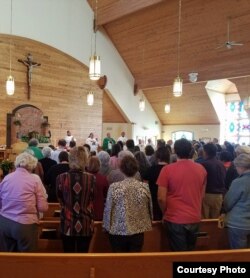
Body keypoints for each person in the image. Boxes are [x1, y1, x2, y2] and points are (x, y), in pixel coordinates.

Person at [157, 138, 207, 251]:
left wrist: (164, 212)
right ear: (191, 151)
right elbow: (202, 195)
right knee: (190, 252)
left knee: (179, 254)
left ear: (174, 151)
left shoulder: (167, 169)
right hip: (194, 216)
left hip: (175, 218)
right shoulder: (201, 169)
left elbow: (161, 198)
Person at [103, 155, 153, 252]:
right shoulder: (144, 187)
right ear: (136, 169)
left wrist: (106, 227)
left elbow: (108, 209)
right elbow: (149, 208)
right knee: (134, 262)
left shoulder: (114, 187)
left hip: (117, 231)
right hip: (138, 230)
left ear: (121, 169)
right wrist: (150, 222)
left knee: (119, 262)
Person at [0, 152, 48, 252]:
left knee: (7, 258)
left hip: (4, 223)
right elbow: (43, 207)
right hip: (25, 224)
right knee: (26, 260)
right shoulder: (34, 180)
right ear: (32, 165)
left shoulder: (6, 178)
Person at [56, 146, 95, 253]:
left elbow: (60, 200)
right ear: (85, 160)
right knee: (83, 258)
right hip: (86, 223)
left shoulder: (61, 178)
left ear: (70, 159)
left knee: (69, 259)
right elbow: (92, 199)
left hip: (68, 223)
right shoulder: (91, 178)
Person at [224, 154, 250, 249]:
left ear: (241, 167)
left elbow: (228, 202)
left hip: (239, 223)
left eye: (236, 167)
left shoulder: (238, 182)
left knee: (239, 254)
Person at [144, 146, 170, 220]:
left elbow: (145, 187)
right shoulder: (172, 169)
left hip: (153, 200)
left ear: (157, 157)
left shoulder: (150, 170)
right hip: (169, 201)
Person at [201, 143, 226, 219]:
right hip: (219, 195)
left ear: (205, 152)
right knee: (215, 220)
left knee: (205, 220)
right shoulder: (221, 164)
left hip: (206, 194)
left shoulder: (204, 164)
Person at [87, 156, 109, 221]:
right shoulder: (103, 179)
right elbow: (106, 194)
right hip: (99, 210)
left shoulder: (84, 178)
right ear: (99, 166)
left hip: (86, 210)